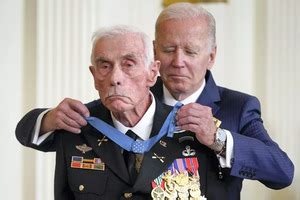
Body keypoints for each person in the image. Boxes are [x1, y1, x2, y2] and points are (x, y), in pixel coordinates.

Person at [16, 2, 294, 199]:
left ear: (211, 56)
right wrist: (48, 117)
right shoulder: (128, 94)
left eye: (191, 51)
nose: (178, 62)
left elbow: (282, 173)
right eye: (169, 49)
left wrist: (218, 138)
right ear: (153, 55)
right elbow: (38, 129)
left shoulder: (238, 107)